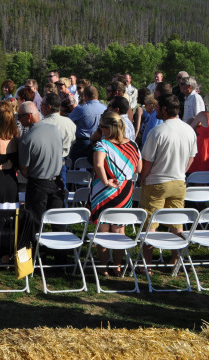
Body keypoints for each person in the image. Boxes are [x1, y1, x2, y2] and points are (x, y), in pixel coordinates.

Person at [140, 94, 197, 266]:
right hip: (179, 181)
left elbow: (147, 162)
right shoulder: (189, 130)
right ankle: (175, 260)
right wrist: (181, 171)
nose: (155, 109)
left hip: (156, 182)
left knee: (150, 224)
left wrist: (142, 178)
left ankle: (147, 265)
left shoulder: (157, 131)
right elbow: (192, 157)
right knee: (176, 223)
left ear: (165, 109)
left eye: (157, 107)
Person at [89, 112, 142, 275]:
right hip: (125, 190)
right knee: (119, 230)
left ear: (109, 128)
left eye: (101, 127)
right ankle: (117, 266)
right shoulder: (133, 145)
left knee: (102, 230)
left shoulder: (103, 144)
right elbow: (139, 169)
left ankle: (104, 267)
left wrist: (106, 180)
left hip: (104, 192)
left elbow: (98, 164)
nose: (100, 130)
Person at [18, 101, 64, 222]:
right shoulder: (55, 130)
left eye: (20, 116)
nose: (18, 120)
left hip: (37, 185)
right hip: (57, 182)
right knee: (58, 223)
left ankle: (35, 241)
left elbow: (24, 170)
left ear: (28, 116)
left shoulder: (27, 139)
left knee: (35, 222)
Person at [67, 85, 106, 164]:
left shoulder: (81, 109)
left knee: (75, 166)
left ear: (86, 96)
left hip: (82, 145)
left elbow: (68, 121)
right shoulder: (105, 108)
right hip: (100, 143)